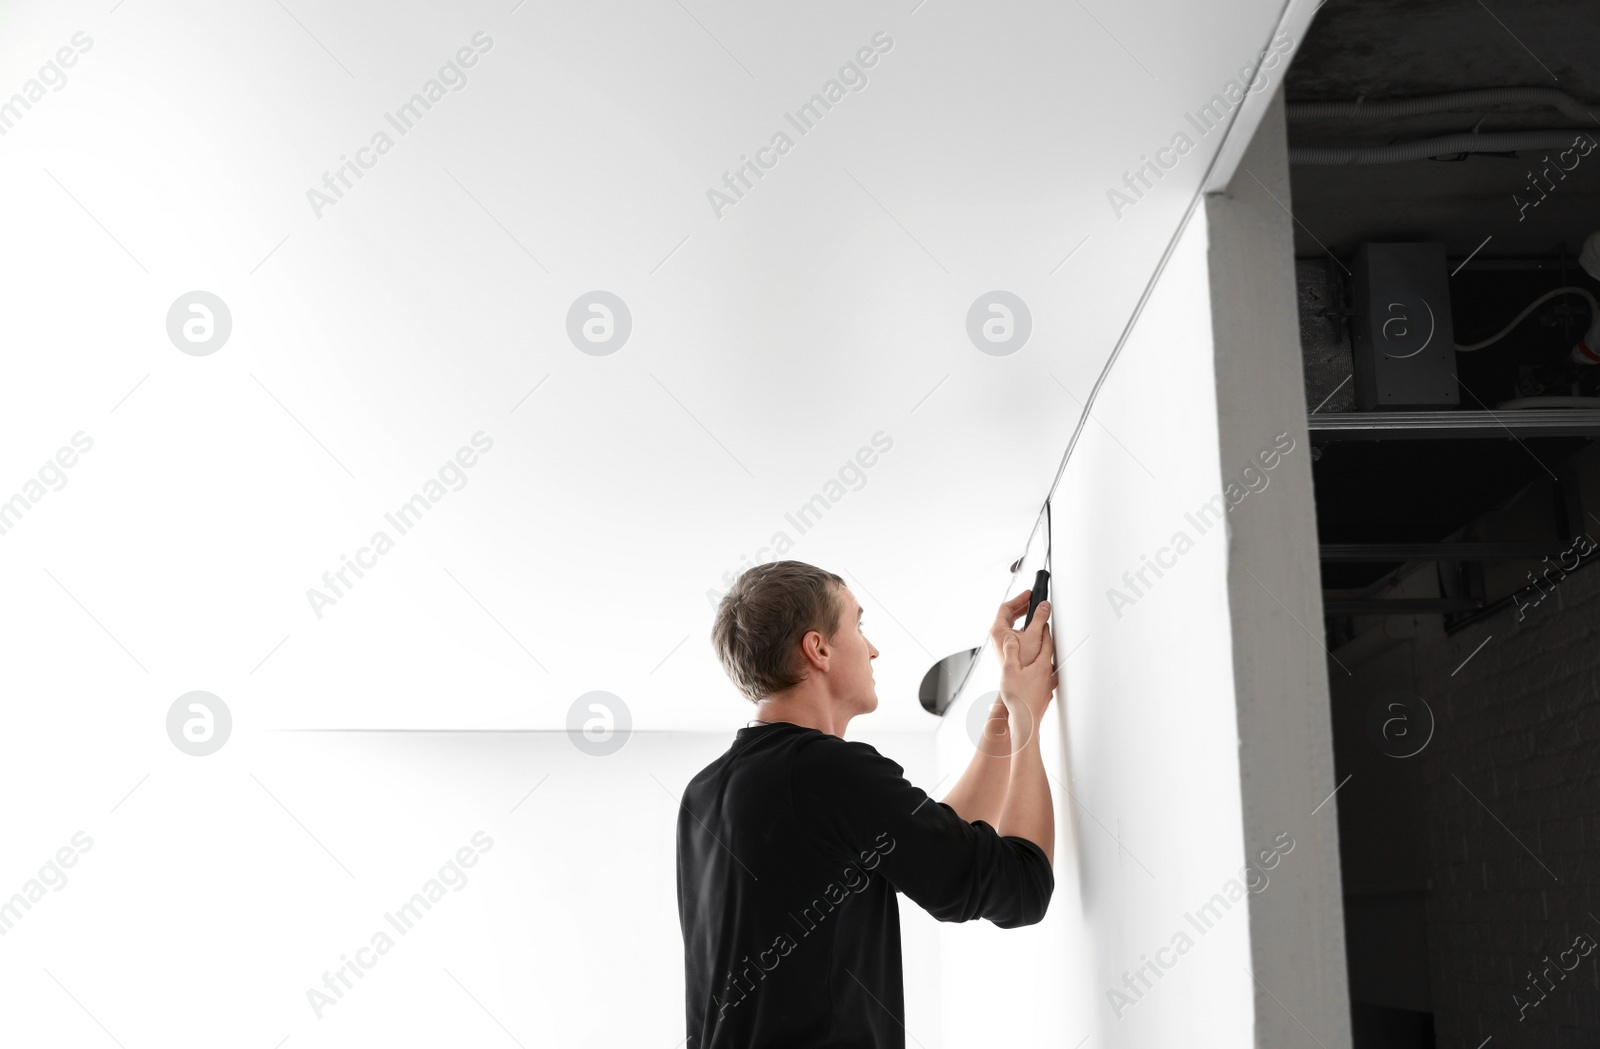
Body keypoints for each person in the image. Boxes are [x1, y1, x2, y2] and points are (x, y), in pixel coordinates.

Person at [677, 559, 1058, 1048]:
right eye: (859, 625)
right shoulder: (827, 772)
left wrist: (1006, 712)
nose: (873, 649)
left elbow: (929, 845)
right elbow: (1021, 885)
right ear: (818, 649)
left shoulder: (703, 794)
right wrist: (1029, 719)